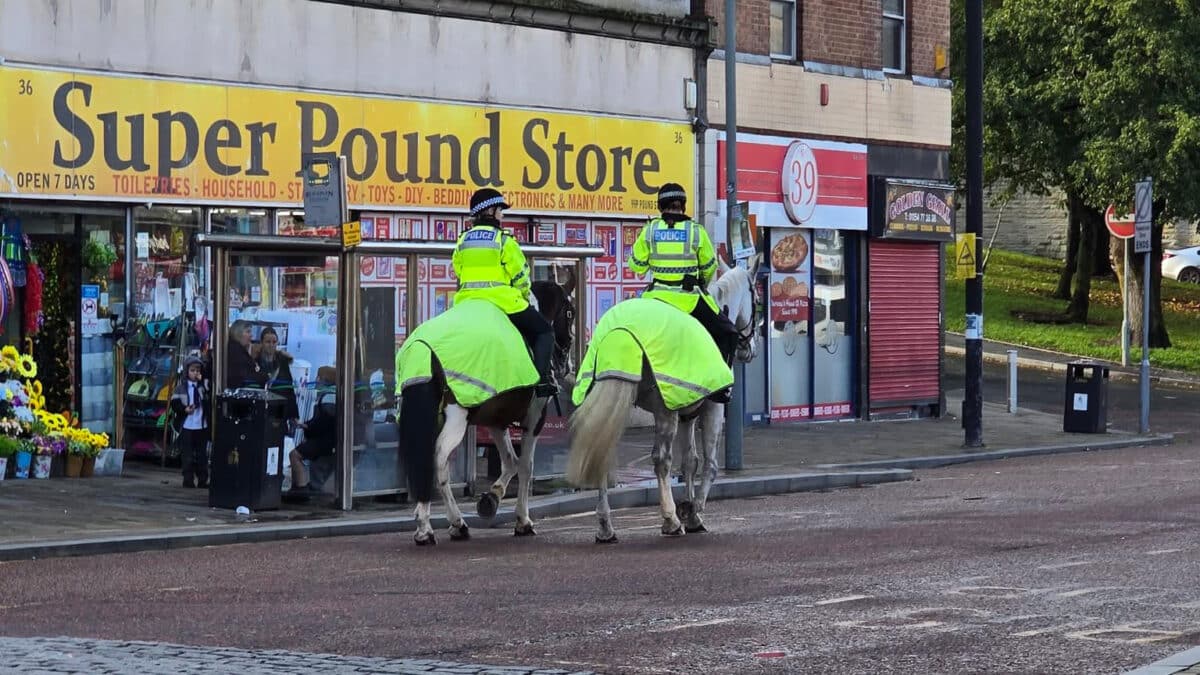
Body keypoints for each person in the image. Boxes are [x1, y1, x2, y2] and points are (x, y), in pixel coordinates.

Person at [628, 183, 738, 401]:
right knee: (729, 334)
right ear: (683, 205)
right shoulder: (696, 231)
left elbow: (636, 266)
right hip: (689, 301)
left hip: (655, 300)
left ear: (660, 206)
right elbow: (710, 267)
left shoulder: (650, 230)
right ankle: (719, 387)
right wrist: (698, 280)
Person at [451, 188, 557, 397]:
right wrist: (523, 295)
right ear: (490, 210)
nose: (503, 214)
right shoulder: (504, 241)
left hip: (466, 302)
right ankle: (542, 382)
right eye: (501, 210)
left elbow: (458, 269)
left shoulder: (463, 241)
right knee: (545, 333)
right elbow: (521, 277)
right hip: (504, 303)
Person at [286, 366, 337, 496]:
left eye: (318, 377)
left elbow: (323, 423)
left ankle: (301, 487)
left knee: (294, 454)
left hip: (326, 441)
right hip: (329, 439)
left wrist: (307, 427)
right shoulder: (332, 395)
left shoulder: (327, 397)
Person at [169, 356, 211, 488]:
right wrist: (184, 409)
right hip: (187, 425)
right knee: (187, 453)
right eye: (192, 370)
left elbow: (208, 399)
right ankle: (188, 478)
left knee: (202, 454)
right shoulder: (181, 388)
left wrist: (203, 383)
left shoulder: (202, 387)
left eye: (198, 370)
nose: (195, 373)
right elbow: (174, 404)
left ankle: (203, 479)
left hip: (201, 424)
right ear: (187, 372)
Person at [256, 326, 300, 426]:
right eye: (268, 342)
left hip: (279, 413)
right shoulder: (255, 362)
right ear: (261, 343)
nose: (271, 345)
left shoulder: (283, 362)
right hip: (260, 412)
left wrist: (294, 415)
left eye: (274, 342)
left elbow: (289, 389)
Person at [226, 319, 269, 389]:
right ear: (238, 333)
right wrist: (263, 376)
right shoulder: (235, 351)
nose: (251, 335)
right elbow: (242, 376)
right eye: (248, 332)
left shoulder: (239, 349)